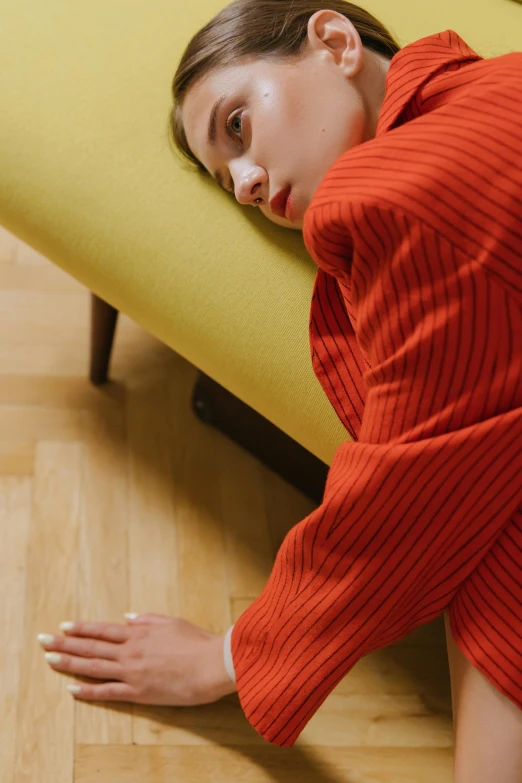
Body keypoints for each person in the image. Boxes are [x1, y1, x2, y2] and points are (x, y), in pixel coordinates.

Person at [38, 1, 522, 778]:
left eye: (237, 126)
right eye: (227, 178)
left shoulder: (398, 198)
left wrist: (228, 657)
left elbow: (406, 488)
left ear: (332, 40)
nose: (248, 182)